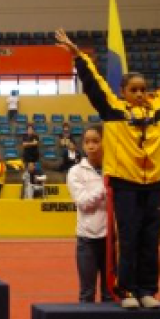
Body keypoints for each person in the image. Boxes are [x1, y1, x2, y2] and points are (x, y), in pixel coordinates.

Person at [55, 28, 160, 309]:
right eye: (134, 90)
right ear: (123, 92)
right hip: (125, 185)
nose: (141, 94)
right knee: (128, 239)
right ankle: (126, 290)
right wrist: (78, 56)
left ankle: (147, 290)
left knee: (150, 240)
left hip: (153, 184)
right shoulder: (113, 111)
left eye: (143, 89)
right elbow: (94, 84)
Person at [67, 125, 113, 303]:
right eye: (87, 142)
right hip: (87, 239)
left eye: (96, 141)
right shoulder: (76, 172)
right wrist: (105, 187)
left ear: (104, 143)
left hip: (111, 240)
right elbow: (84, 202)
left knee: (110, 293)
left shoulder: (114, 169)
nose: (91, 146)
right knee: (87, 293)